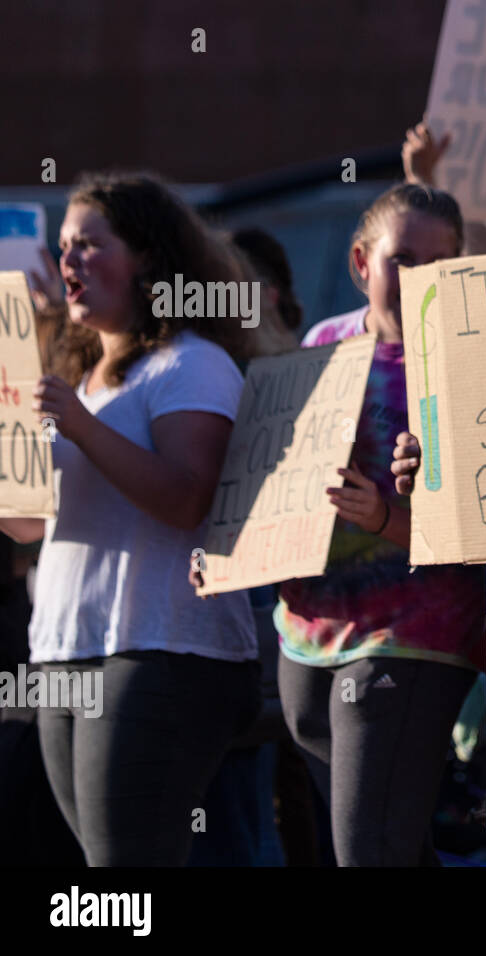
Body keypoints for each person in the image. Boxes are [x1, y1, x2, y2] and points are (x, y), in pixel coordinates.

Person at [0, 172, 261, 866]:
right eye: (63, 248)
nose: (69, 263)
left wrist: (81, 427)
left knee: (128, 870)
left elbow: (185, 498)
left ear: (146, 256)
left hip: (159, 647)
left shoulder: (191, 364)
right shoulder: (79, 380)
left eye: (90, 244)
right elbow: (27, 525)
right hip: (64, 647)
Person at [255, 184, 486, 866]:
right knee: (390, 844)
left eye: (441, 263)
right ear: (362, 262)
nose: (421, 280)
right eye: (403, 260)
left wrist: (389, 515)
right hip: (308, 628)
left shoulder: (472, 363)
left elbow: (485, 526)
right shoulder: (321, 343)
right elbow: (275, 480)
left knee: (367, 852)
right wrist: (233, 543)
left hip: (414, 634)